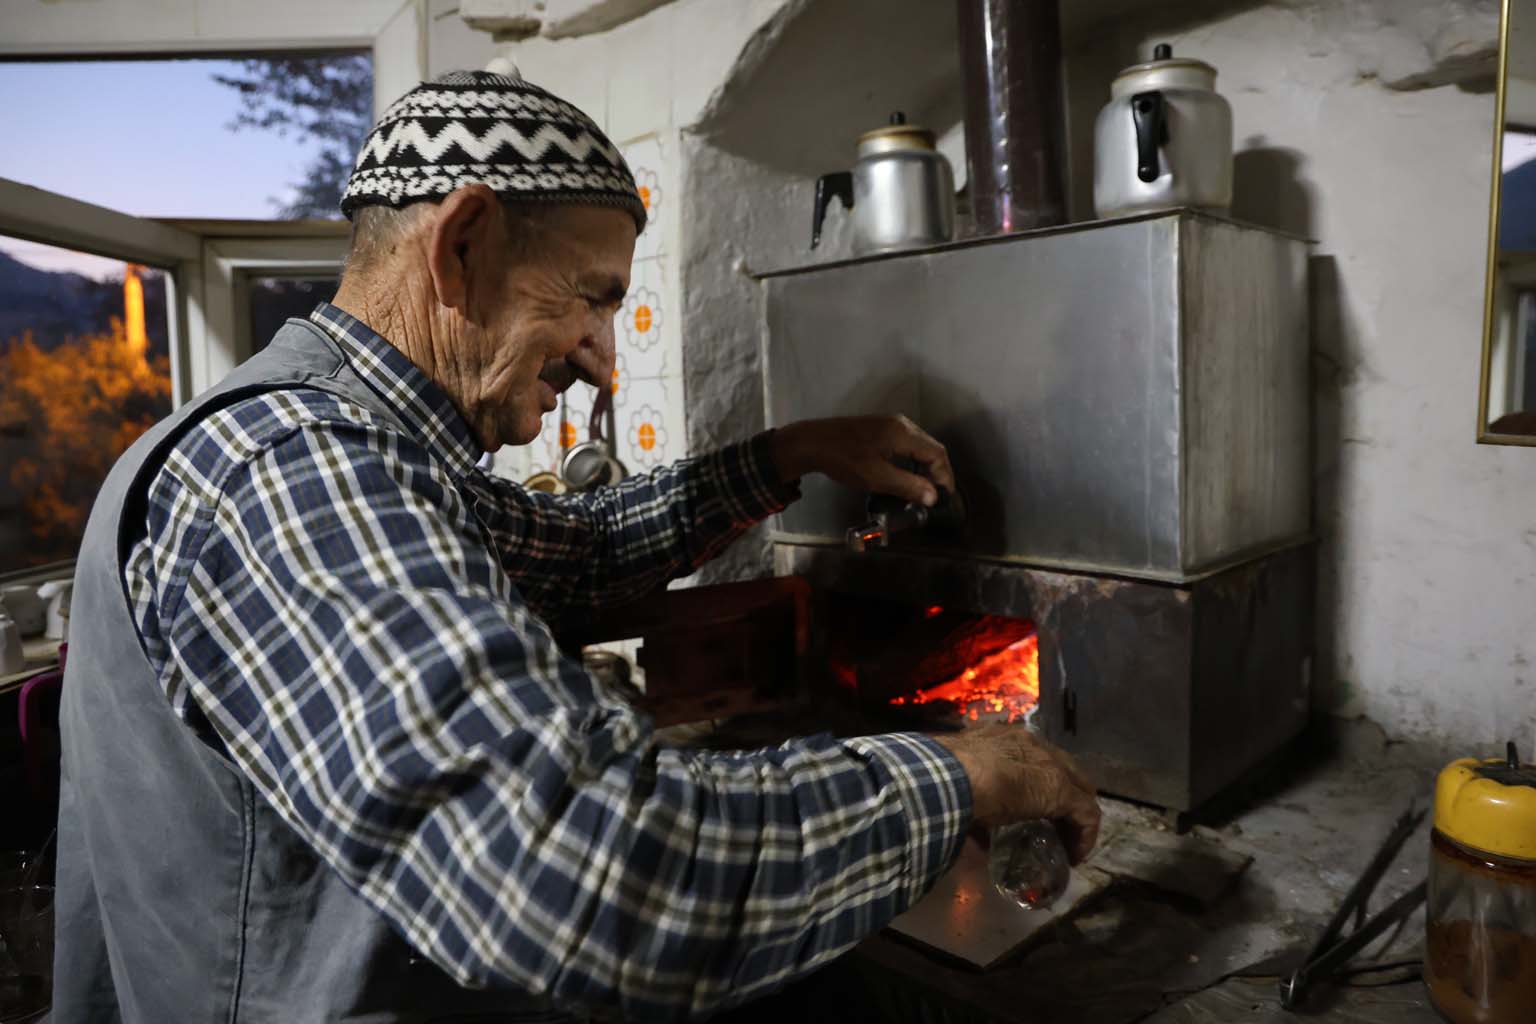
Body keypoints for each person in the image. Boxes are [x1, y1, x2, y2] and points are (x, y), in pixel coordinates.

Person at [53, 69, 1100, 1022]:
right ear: (462, 247)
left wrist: (793, 453)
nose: (605, 363)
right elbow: (589, 874)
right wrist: (962, 774)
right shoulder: (292, 472)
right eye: (593, 298)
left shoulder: (356, 450)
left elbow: (582, 548)